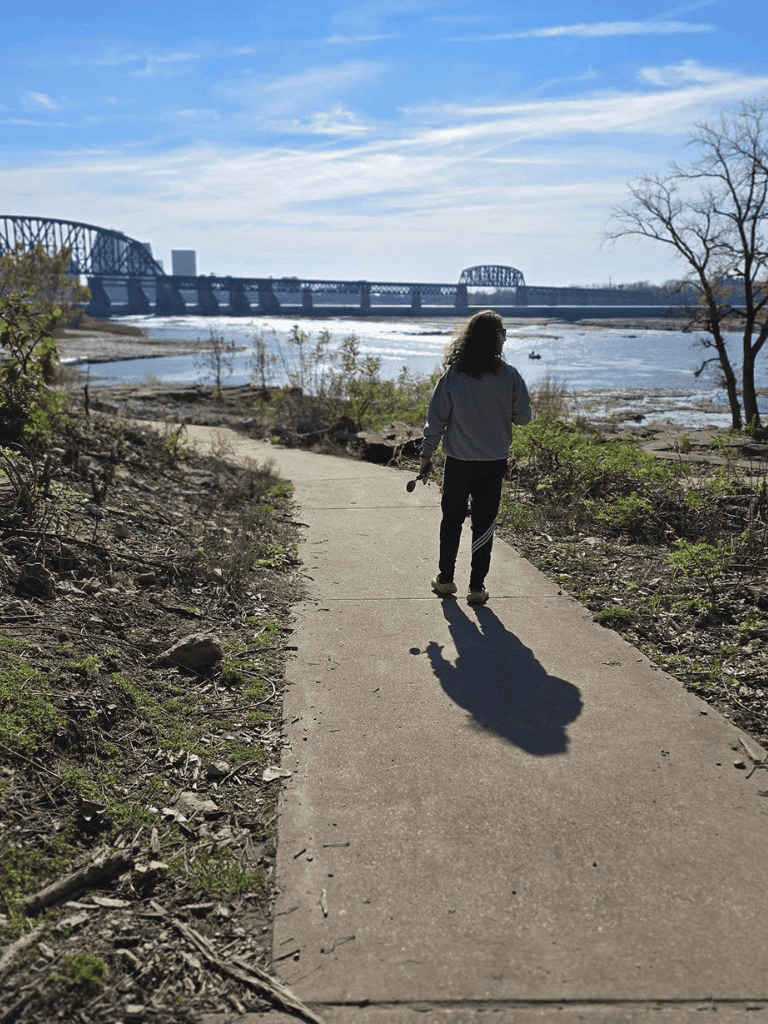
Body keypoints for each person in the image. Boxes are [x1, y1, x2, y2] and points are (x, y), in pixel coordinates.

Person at [419, 309, 531, 605]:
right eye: (503, 333)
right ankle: (477, 588)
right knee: (484, 523)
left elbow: (436, 420)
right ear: (496, 340)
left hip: (458, 462)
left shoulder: (454, 375)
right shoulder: (510, 376)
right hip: (493, 462)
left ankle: (445, 580)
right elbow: (523, 418)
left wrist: (426, 456)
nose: (505, 337)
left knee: (452, 519)